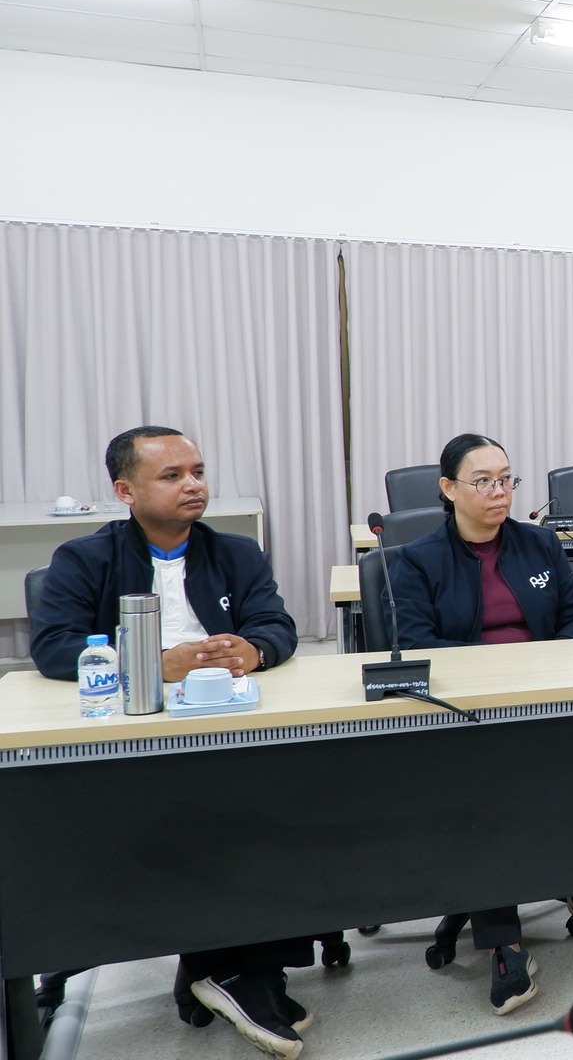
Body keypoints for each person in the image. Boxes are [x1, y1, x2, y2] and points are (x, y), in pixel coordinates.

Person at [29, 426, 311, 1059]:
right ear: (126, 491)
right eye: (172, 475)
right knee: (205, 818)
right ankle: (238, 973)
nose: (193, 485)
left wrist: (254, 649)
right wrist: (154, 664)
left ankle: (237, 969)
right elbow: (53, 648)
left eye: (198, 472)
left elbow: (277, 625)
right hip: (131, 741)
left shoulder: (236, 552)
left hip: (228, 725)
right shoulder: (85, 558)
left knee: (287, 801)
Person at [386, 433, 573, 1014]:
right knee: (489, 791)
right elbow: (416, 644)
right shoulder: (418, 559)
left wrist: (545, 670)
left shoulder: (539, 544)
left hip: (545, 702)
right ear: (448, 489)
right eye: (483, 481)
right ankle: (504, 941)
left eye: (507, 479)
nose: (499, 491)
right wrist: (500, 673)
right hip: (465, 716)